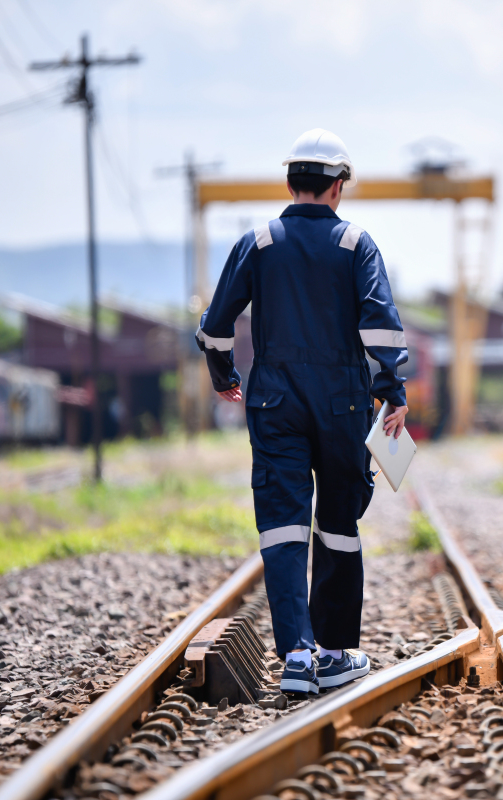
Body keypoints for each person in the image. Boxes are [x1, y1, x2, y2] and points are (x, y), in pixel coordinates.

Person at [196, 128, 409, 694]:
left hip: (274, 398)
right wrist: (393, 390)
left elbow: (215, 327)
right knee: (338, 521)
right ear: (338, 187)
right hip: (341, 400)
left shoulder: (259, 242)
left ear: (291, 182)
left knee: (283, 523)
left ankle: (296, 655)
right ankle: (336, 653)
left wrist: (225, 377)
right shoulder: (355, 244)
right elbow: (381, 325)